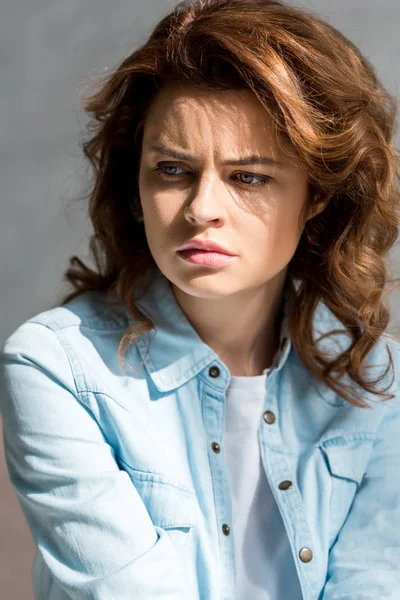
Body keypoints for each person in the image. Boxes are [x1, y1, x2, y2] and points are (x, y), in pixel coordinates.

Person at [1, 0, 400, 598]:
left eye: (249, 176)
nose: (201, 209)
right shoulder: (56, 367)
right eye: (172, 169)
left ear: (317, 196)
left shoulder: (379, 380)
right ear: (135, 187)